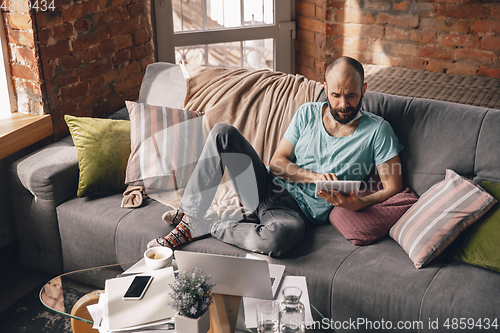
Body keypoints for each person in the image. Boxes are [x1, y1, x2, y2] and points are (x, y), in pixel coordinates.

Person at [148, 56, 404, 256]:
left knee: (280, 239)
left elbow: (394, 185)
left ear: (364, 89)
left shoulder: (378, 131)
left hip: (293, 214)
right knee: (222, 132)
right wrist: (313, 177)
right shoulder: (307, 113)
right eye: (335, 95)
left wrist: (358, 204)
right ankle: (190, 219)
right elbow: (277, 163)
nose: (343, 104)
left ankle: (211, 226)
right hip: (263, 187)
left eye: (351, 95)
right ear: (325, 88)